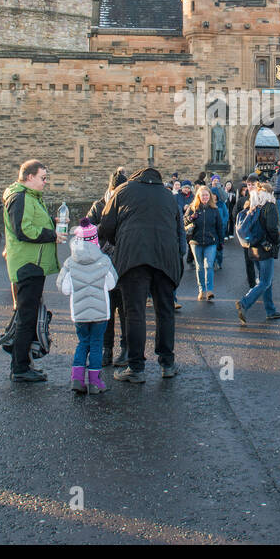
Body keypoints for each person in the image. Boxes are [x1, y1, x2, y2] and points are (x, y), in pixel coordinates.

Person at [97, 165, 184, 381]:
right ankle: (168, 363)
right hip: (166, 257)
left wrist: (121, 241)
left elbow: (105, 227)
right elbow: (179, 231)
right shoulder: (168, 195)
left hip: (133, 257)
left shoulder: (123, 191)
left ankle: (136, 368)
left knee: (135, 312)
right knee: (165, 311)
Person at [0, 161, 66, 380]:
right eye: (43, 177)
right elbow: (23, 230)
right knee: (26, 317)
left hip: (32, 263)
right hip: (28, 264)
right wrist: (52, 234)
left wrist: (50, 223)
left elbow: (29, 222)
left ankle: (24, 362)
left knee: (28, 313)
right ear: (28, 177)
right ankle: (19, 368)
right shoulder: (21, 197)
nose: (46, 182)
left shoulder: (28, 196)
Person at [58, 221, 118, 395]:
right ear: (95, 241)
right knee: (97, 344)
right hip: (100, 313)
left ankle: (76, 379)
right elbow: (112, 283)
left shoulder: (70, 262)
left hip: (80, 313)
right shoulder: (104, 260)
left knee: (82, 343)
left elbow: (64, 288)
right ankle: (95, 381)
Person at [85, 169, 128, 367]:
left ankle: (126, 349)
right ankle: (107, 349)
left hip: (124, 263)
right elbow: (86, 230)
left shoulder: (129, 205)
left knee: (126, 311)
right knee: (107, 310)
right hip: (104, 264)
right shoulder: (99, 205)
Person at [235, 181, 280, 323]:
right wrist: (276, 241)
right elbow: (272, 228)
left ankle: (270, 310)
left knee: (266, 280)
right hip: (265, 248)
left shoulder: (253, 205)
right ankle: (244, 302)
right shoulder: (269, 206)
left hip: (253, 247)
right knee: (265, 281)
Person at [185, 184, 223, 301]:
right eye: (203, 195)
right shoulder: (192, 208)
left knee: (208, 266)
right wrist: (191, 218)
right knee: (200, 266)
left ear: (210, 196)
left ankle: (209, 290)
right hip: (195, 241)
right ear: (198, 196)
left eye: (207, 195)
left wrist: (220, 242)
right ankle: (202, 290)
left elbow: (219, 226)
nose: (205, 197)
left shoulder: (214, 209)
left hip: (210, 241)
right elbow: (184, 221)